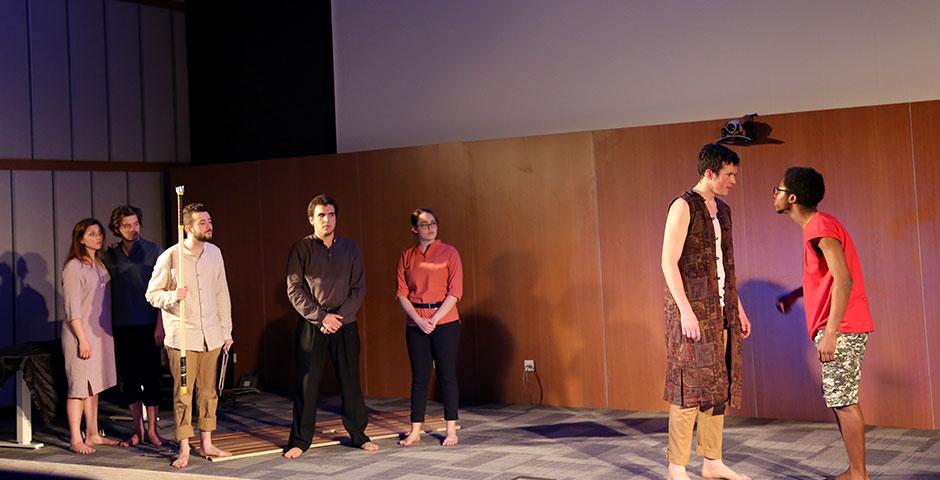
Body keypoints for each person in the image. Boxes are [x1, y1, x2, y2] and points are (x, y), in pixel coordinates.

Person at [774, 167, 873, 480]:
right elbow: (827, 277)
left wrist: (831, 334)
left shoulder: (820, 227)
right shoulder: (817, 227)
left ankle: (859, 475)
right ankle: (854, 471)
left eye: (777, 190)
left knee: (844, 402)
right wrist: (795, 295)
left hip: (842, 327)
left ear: (792, 198)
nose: (774, 195)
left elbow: (844, 279)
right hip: (839, 326)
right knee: (838, 399)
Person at [661, 143, 752, 480]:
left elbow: (727, 267)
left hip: (721, 312)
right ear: (711, 173)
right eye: (729, 174)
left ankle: (712, 461)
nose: (733, 181)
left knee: (718, 384)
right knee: (688, 387)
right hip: (691, 312)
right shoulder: (683, 206)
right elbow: (668, 262)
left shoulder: (723, 210)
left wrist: (738, 309)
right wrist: (685, 310)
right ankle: (676, 467)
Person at [283, 194, 378, 459]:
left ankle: (358, 435)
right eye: (321, 215)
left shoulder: (350, 248)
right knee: (307, 385)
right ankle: (300, 440)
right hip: (312, 325)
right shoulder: (301, 248)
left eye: (331, 215)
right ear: (311, 219)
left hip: (345, 324)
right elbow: (294, 289)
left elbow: (358, 288)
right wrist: (322, 317)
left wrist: (338, 317)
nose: (327, 220)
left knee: (351, 382)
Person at [145, 203, 233, 468]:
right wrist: (173, 296)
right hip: (183, 337)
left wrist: (226, 330)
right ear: (188, 228)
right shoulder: (171, 257)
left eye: (209, 221)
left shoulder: (215, 253)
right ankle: (184, 447)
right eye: (202, 222)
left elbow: (221, 293)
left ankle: (207, 442)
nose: (209, 226)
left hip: (211, 335)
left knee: (208, 392)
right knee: (183, 393)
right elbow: (152, 294)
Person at [395, 208, 463, 447]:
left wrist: (434, 319)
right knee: (420, 376)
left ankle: (451, 430)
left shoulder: (450, 253)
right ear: (414, 229)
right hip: (416, 321)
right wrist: (419, 319)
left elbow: (455, 291)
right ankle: (415, 430)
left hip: (445, 321)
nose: (430, 228)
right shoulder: (407, 256)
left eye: (433, 223)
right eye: (424, 224)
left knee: (446, 374)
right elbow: (402, 294)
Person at [102, 205, 165, 447]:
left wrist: (160, 325)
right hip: (121, 325)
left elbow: (164, 290)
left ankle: (153, 430)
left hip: (148, 323)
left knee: (151, 376)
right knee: (129, 378)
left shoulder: (154, 251)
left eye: (136, 224)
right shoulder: (110, 255)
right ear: (117, 229)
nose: (133, 229)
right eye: (127, 226)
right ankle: (137, 429)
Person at [61, 218, 125, 454]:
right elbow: (72, 307)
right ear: (80, 239)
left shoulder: (98, 263)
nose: (97, 237)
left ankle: (93, 433)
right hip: (80, 334)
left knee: (93, 386)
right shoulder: (74, 266)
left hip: (98, 334)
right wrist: (82, 338)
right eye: (91, 234)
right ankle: (75, 438)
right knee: (79, 386)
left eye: (99, 233)